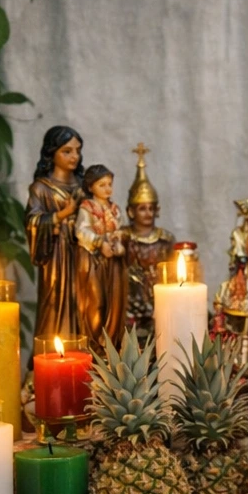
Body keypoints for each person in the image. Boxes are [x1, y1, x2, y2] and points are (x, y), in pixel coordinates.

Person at [26, 125, 85, 350]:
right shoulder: (42, 188)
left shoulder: (83, 185)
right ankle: (51, 355)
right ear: (52, 153)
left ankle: (85, 354)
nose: (74, 156)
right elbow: (32, 221)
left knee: (84, 303)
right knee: (55, 304)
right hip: (56, 260)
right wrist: (63, 214)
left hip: (82, 255)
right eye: (67, 151)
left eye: (77, 150)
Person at [123, 143, 175, 342]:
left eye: (151, 208)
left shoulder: (165, 239)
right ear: (131, 211)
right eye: (142, 208)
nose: (147, 213)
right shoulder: (124, 237)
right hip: (131, 303)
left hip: (158, 301)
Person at [74, 164, 128, 351]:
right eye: (102, 185)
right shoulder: (87, 208)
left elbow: (121, 230)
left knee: (114, 301)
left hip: (113, 263)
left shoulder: (115, 209)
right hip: (92, 260)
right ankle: (94, 343)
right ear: (91, 187)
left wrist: (118, 242)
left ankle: (110, 342)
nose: (107, 189)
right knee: (96, 301)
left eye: (109, 184)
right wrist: (99, 243)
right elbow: (81, 231)